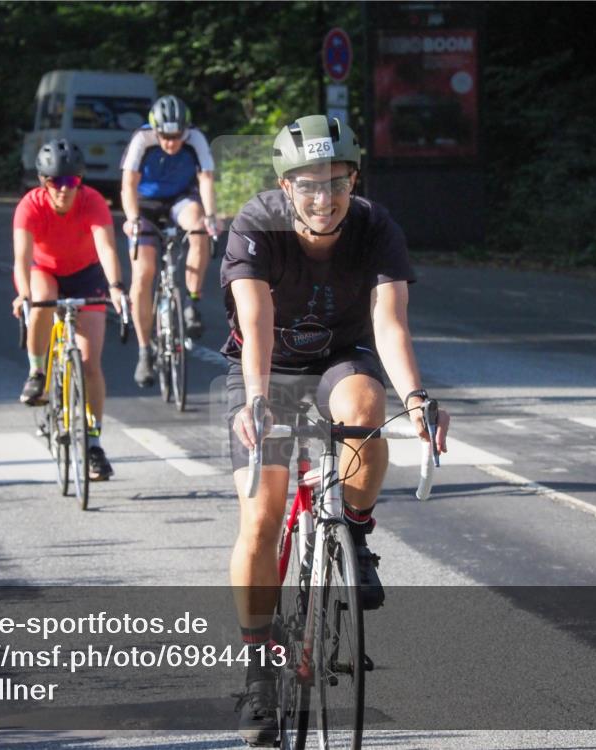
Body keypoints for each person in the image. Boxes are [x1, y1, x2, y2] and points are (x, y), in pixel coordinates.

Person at [221, 115, 451, 745]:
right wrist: (261, 400)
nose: (323, 198)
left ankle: (354, 532)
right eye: (308, 185)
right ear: (286, 187)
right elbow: (257, 317)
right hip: (265, 371)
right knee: (262, 518)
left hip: (339, 361)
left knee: (367, 405)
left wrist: (419, 397)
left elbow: (390, 321)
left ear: (353, 180)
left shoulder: (375, 227)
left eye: (336, 182)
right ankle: (259, 673)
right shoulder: (255, 224)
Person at [12, 139, 126, 481]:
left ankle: (93, 444)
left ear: (81, 181)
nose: (64, 190)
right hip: (44, 271)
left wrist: (117, 288)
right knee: (42, 299)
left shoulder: (92, 202)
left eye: (72, 182)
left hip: (85, 273)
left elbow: (106, 248)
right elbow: (21, 260)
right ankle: (37, 374)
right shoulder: (29, 206)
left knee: (90, 363)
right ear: (43, 182)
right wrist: (23, 295)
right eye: (55, 183)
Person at [120, 94, 218, 387]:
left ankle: (191, 302)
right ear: (155, 130)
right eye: (165, 137)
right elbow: (128, 184)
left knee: (199, 227)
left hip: (179, 199)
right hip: (146, 203)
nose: (172, 143)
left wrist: (212, 216)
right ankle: (143, 351)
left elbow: (207, 179)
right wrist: (132, 219)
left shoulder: (196, 138)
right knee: (143, 273)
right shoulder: (142, 139)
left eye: (177, 137)